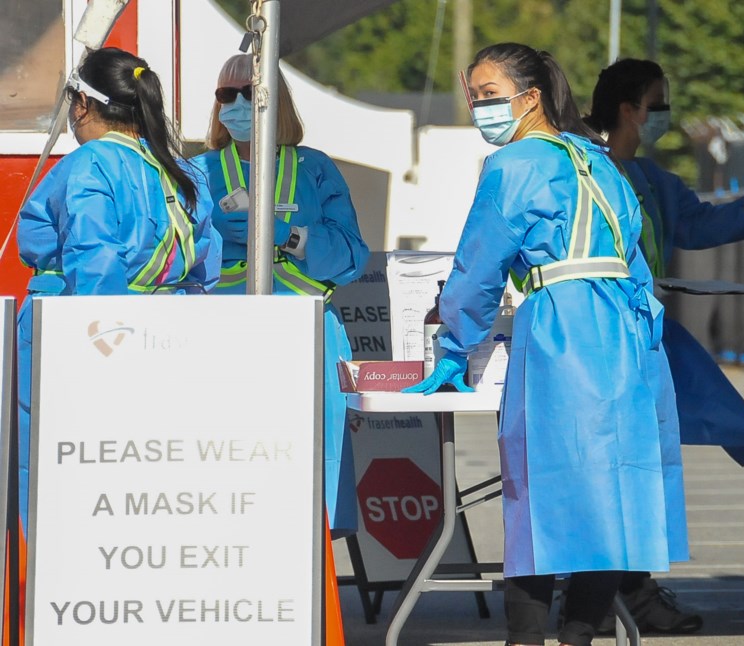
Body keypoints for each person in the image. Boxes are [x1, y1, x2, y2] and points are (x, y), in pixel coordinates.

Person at [404, 43, 680, 646]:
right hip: (628, 332)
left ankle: (524, 639)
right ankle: (581, 635)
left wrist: (454, 346)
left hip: (562, 326)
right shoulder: (597, 158)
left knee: (540, 488)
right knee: (612, 491)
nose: (478, 106)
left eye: (487, 95)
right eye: (473, 95)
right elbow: (635, 256)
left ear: (529, 99)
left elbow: (479, 266)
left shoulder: (516, 163)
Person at [581, 58, 744, 634]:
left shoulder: (649, 179)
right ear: (630, 109)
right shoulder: (582, 170)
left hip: (645, 336)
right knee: (604, 468)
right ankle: (604, 596)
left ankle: (628, 591)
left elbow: (694, 223)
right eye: (660, 101)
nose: (666, 113)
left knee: (642, 464)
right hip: (592, 339)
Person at [17, 47, 222, 533]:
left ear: (83, 104)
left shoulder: (90, 164)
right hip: (169, 341)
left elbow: (94, 260)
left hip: (81, 342)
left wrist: (105, 351)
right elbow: (205, 269)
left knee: (53, 487)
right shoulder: (183, 171)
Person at [191, 54, 370, 538]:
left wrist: (286, 234)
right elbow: (175, 256)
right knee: (224, 467)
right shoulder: (196, 171)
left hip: (305, 338)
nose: (238, 103)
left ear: (275, 100)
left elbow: (352, 256)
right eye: (227, 95)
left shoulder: (315, 169)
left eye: (250, 92)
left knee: (310, 466)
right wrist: (212, 239)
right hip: (220, 340)